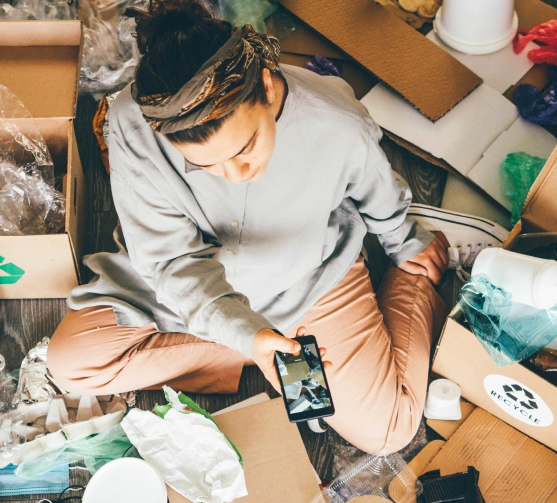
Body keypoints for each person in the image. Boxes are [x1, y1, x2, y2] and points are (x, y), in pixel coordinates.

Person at [48, 0, 505, 454]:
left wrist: (405, 244)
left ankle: (267, 343)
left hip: (306, 281)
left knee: (389, 430)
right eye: (204, 165)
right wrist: (248, 333)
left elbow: (377, 188)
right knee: (70, 364)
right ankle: (260, 348)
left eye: (245, 146)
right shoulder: (132, 120)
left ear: (266, 87)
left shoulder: (337, 121)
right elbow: (169, 261)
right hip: (182, 285)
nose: (234, 172)